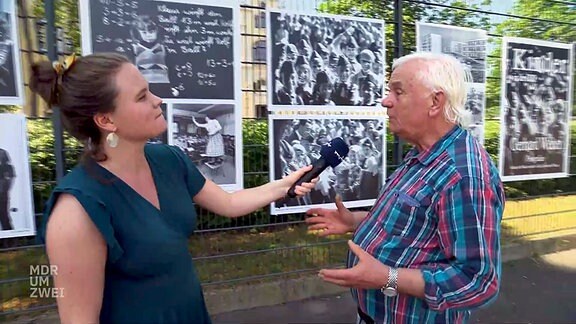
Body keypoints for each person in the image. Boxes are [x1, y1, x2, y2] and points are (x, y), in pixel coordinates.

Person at [29, 52, 317, 323]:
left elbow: (229, 204)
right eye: (142, 97)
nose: (158, 99)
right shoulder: (76, 211)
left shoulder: (168, 159)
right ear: (106, 120)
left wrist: (285, 186)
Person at [306, 52, 505, 323]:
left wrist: (387, 278)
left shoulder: (464, 175)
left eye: (398, 92)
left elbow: (478, 281)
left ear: (435, 102)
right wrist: (354, 220)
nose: (385, 101)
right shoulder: (423, 153)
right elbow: (414, 223)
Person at [0, 148, 15, 230]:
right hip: (3, 193)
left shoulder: (8, 167)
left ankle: (9, 237)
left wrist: (5, 190)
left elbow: (10, 180)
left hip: (3, 195)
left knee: (4, 215)